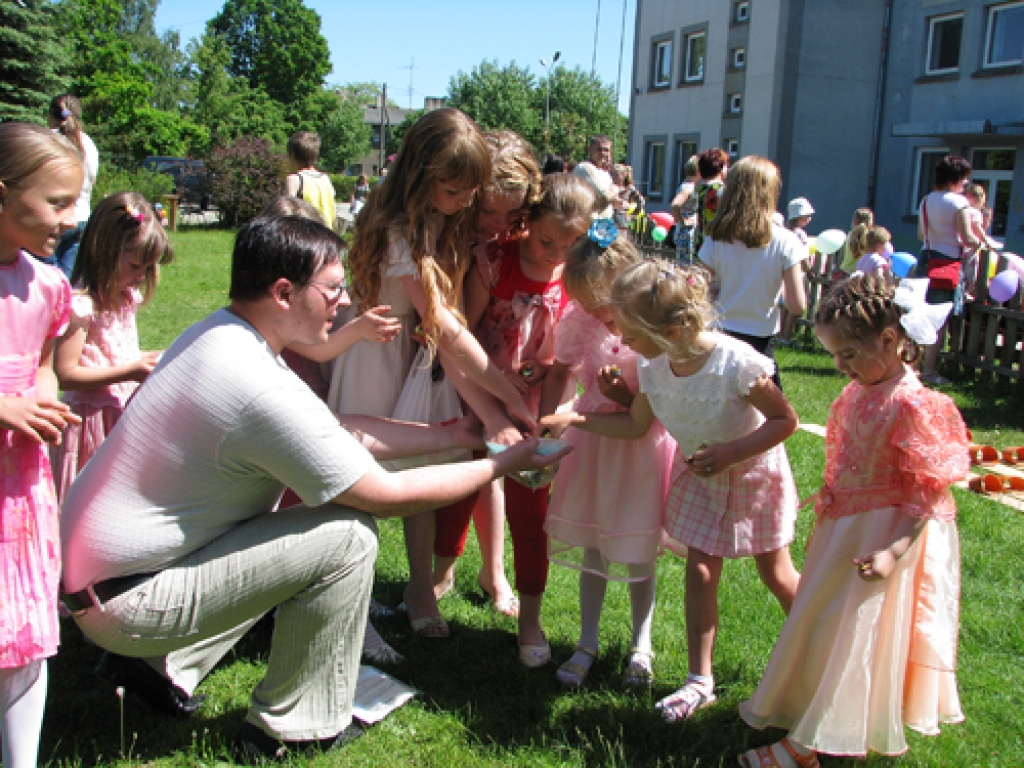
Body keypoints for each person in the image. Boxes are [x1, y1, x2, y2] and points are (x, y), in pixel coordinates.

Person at [59, 215, 569, 759]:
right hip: (126, 600)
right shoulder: (255, 384)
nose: (344, 301)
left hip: (103, 580)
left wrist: (455, 432)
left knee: (289, 527)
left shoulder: (221, 335)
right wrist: (500, 464)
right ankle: (291, 726)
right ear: (283, 293)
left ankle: (154, 667)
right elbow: (380, 494)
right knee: (348, 536)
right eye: (332, 288)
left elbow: (337, 432)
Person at [542, 259, 801, 722]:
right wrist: (575, 418)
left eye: (631, 334)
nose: (622, 343)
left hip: (753, 475)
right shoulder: (654, 365)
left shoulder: (736, 362)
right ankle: (700, 681)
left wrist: (732, 451)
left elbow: (787, 421)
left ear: (675, 330)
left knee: (777, 574)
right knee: (700, 574)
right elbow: (638, 424)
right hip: (702, 475)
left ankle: (817, 645)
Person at [738, 275, 968, 767]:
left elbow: (926, 490)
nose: (840, 366)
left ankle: (805, 749)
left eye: (848, 354)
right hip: (846, 532)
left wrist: (893, 551)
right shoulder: (858, 391)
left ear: (889, 340)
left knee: (859, 633)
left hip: (883, 538)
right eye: (835, 356)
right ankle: (837, 724)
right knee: (825, 624)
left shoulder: (913, 404)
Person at [325, 108, 535, 639]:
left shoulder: (439, 221)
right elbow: (442, 321)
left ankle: (420, 588)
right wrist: (507, 394)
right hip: (378, 357)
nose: (466, 204)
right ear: (420, 175)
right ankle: (344, 586)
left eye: (472, 194)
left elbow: (443, 333)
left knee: (418, 472)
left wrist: (496, 408)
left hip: (417, 358)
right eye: (455, 191)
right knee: (359, 479)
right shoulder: (399, 228)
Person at [442, 173, 598, 667]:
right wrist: (494, 402)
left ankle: (530, 618)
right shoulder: (495, 262)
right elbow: (462, 334)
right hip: (479, 395)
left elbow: (562, 361)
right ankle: (436, 578)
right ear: (527, 222)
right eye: (548, 239)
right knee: (460, 491)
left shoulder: (573, 277)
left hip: (536, 408)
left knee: (533, 516)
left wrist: (548, 417)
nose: (556, 251)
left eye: (570, 242)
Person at [540, 223, 676, 688]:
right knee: (594, 544)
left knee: (639, 550)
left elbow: (654, 402)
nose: (597, 313)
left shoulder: (652, 320)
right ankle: (587, 641)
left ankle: (642, 643)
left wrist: (621, 396)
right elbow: (563, 371)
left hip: (639, 446)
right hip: (594, 446)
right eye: (589, 305)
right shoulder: (581, 320)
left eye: (603, 304)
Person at [432, 130, 544, 619]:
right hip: (463, 369)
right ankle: (444, 567)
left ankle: (493, 570)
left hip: (509, 378)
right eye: (489, 213)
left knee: (491, 470)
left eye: (513, 216)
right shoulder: (455, 238)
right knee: (464, 464)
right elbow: (457, 327)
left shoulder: (519, 244)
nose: (500, 226)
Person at [0, 121, 84, 768]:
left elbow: (50, 361)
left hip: (21, 485)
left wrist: (46, 394)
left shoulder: (50, 283)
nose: (71, 216)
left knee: (26, 628)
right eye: (57, 201)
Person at [50, 193, 172, 501]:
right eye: (134, 265)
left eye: (147, 268)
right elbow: (65, 373)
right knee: (88, 500)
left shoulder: (125, 298)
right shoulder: (82, 305)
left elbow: (120, 354)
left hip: (121, 416)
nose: (141, 276)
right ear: (105, 250)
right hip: (90, 423)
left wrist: (151, 359)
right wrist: (129, 371)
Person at [697, 156, 807, 390]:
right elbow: (797, 305)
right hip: (760, 340)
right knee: (765, 415)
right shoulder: (786, 241)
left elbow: (694, 287)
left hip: (720, 337)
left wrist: (715, 291)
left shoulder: (716, 237)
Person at [915, 155, 979, 385]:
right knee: (938, 319)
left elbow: (922, 235)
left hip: (927, 259)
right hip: (947, 263)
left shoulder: (926, 200)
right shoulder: (959, 203)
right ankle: (930, 370)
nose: (966, 184)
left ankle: (913, 364)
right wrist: (982, 244)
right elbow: (968, 237)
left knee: (919, 314)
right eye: (964, 179)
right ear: (956, 178)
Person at [40, 94, 98, 279]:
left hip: (55, 219)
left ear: (51, 116)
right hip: (81, 218)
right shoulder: (89, 144)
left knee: (44, 277)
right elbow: (92, 181)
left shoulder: (50, 140)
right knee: (66, 281)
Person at [778, 197, 815, 343]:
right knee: (792, 309)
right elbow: (803, 255)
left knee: (782, 306)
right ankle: (786, 336)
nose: (809, 219)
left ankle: (780, 335)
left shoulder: (783, 230)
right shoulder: (800, 234)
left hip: (782, 272)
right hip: (796, 272)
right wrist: (809, 270)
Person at [283, 131, 337, 231]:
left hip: (306, 237)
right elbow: (333, 215)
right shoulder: (325, 179)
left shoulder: (294, 179)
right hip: (326, 237)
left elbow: (287, 214)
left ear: (292, 155)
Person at [963, 183, 1003, 298]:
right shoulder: (975, 212)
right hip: (971, 247)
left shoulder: (962, 210)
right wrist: (987, 242)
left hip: (961, 246)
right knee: (971, 271)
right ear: (978, 199)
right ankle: (969, 291)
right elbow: (978, 229)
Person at [691, 148, 729, 257]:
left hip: (700, 243)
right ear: (720, 168)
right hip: (716, 247)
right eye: (726, 165)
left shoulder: (698, 189)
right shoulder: (719, 190)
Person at [670, 155, 700, 264]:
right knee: (686, 266)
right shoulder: (689, 187)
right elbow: (675, 205)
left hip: (685, 231)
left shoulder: (686, 185)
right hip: (687, 233)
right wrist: (683, 221)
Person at [836, 207, 874, 276]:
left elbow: (841, 256)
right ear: (870, 222)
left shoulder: (850, 235)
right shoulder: (870, 238)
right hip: (860, 275)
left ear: (854, 221)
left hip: (844, 273)